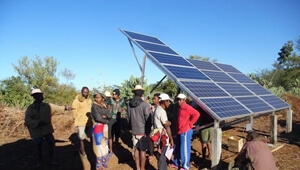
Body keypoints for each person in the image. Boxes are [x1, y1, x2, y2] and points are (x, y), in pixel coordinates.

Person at [24, 88, 72, 168]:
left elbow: (58, 108)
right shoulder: (30, 108)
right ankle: (39, 162)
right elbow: (27, 120)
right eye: (40, 95)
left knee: (51, 144)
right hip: (37, 131)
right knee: (38, 146)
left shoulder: (47, 106)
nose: (42, 96)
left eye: (42, 95)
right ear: (35, 97)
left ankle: (51, 160)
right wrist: (38, 122)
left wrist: (66, 108)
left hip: (47, 130)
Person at [171, 93, 200, 170]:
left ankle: (185, 166)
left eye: (180, 100)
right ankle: (176, 163)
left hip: (185, 131)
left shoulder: (187, 107)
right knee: (177, 147)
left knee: (185, 149)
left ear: (184, 100)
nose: (178, 101)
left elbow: (197, 114)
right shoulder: (179, 108)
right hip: (179, 131)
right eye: (178, 99)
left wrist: (190, 123)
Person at [127, 85, 151, 170]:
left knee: (136, 150)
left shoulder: (129, 105)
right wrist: (148, 131)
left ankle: (137, 168)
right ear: (142, 93)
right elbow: (148, 118)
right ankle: (142, 168)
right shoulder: (145, 105)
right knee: (143, 151)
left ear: (134, 93)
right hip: (143, 131)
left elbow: (128, 118)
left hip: (134, 130)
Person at [90, 91, 112, 169]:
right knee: (98, 146)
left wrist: (105, 116)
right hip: (98, 127)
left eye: (99, 97)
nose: (97, 99)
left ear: (102, 98)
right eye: (96, 97)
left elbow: (110, 115)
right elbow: (98, 118)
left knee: (105, 145)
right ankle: (99, 164)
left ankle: (104, 162)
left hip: (104, 127)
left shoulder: (104, 106)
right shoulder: (94, 106)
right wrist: (107, 120)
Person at [153, 93, 174, 170]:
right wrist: (171, 139)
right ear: (164, 101)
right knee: (163, 155)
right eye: (168, 101)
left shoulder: (157, 109)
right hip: (163, 137)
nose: (169, 103)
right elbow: (167, 125)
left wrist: (168, 122)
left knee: (161, 154)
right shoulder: (162, 111)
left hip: (158, 136)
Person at [72, 86, 93, 158]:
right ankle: (83, 151)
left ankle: (93, 149)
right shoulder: (77, 100)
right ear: (81, 92)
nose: (85, 94)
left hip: (89, 121)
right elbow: (74, 110)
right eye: (84, 92)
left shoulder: (89, 100)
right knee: (81, 137)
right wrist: (75, 119)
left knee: (91, 135)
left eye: (87, 92)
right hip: (81, 121)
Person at [107, 88, 126, 154]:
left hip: (118, 119)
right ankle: (111, 149)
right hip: (111, 119)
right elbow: (108, 108)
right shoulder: (110, 100)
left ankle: (116, 147)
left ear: (118, 95)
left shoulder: (122, 101)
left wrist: (121, 111)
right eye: (113, 94)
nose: (114, 95)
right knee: (110, 134)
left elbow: (123, 109)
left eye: (115, 94)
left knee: (117, 134)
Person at [148, 93, 160, 161]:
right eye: (153, 99)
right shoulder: (151, 107)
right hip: (152, 126)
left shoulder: (160, 108)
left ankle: (158, 151)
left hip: (158, 126)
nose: (153, 100)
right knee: (151, 139)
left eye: (155, 99)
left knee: (159, 139)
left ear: (159, 100)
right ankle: (151, 153)